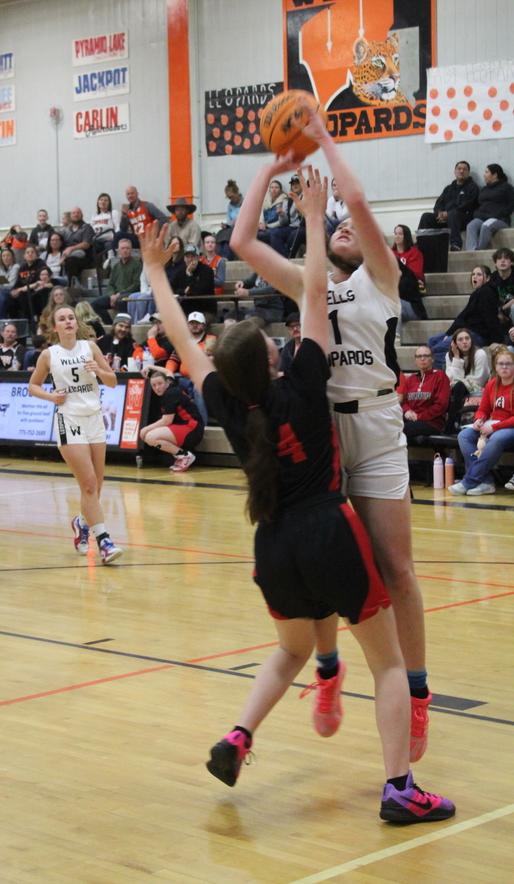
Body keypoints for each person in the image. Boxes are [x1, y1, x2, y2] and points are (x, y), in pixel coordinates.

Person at [138, 193, 454, 824]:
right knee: (388, 663)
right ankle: (398, 786)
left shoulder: (228, 405)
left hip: (271, 543)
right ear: (274, 356)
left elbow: (180, 335)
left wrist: (154, 273)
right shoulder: (309, 383)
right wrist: (312, 217)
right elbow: (313, 292)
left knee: (288, 650)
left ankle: (239, 735)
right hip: (328, 530)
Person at [231, 104, 434, 764]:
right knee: (317, 562)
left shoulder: (381, 277)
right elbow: (242, 243)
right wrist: (269, 169)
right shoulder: (310, 285)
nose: (344, 225)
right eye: (336, 228)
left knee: (395, 569)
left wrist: (321, 138)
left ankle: (416, 692)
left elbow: (351, 196)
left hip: (373, 428)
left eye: (351, 226)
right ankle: (326, 670)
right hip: (321, 433)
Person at [28, 304, 122, 564]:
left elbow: (112, 381)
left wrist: (99, 371)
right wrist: (50, 396)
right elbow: (33, 386)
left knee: (96, 488)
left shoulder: (90, 348)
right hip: (69, 420)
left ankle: (81, 523)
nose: (68, 321)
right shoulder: (49, 354)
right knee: (89, 484)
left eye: (71, 317)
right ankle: (104, 541)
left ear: (77, 323)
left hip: (95, 418)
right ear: (55, 327)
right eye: (62, 319)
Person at [449, 346, 514, 495]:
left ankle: (469, 481)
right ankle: (486, 481)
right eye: (500, 364)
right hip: (492, 425)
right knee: (464, 435)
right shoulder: (492, 384)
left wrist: (495, 427)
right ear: (495, 367)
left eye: (508, 364)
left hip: (508, 427)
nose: (504, 367)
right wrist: (479, 419)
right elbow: (483, 409)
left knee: (496, 439)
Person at [428, 265, 502, 367]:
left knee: (435, 352)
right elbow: (462, 316)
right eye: (473, 274)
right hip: (467, 330)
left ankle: (455, 373)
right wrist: (448, 333)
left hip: (477, 334)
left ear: (488, 278)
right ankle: (440, 373)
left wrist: (496, 340)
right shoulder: (476, 294)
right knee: (433, 341)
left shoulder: (486, 292)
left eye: (479, 274)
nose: (474, 277)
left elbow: (490, 318)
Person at [139, 369, 203, 471]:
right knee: (150, 436)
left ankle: (184, 455)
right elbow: (168, 372)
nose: (157, 388)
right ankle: (181, 455)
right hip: (187, 426)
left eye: (160, 383)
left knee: (150, 437)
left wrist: (145, 429)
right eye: (154, 385)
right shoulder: (170, 383)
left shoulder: (170, 394)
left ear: (166, 382)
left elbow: (166, 421)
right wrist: (149, 366)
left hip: (192, 428)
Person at [417, 160, 479, 251]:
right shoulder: (448, 188)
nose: (461, 171)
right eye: (459, 169)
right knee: (426, 216)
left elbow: (468, 204)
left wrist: (448, 214)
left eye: (464, 169)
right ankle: (420, 242)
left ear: (468, 173)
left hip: (463, 218)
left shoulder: (472, 187)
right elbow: (439, 204)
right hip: (446, 219)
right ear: (455, 172)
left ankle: (456, 244)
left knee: (453, 213)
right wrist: (440, 214)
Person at [444, 329, 490, 432]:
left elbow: (479, 379)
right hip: (457, 390)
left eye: (467, 338)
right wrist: (457, 358)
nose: (464, 342)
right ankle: (454, 422)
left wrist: (462, 382)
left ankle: (451, 423)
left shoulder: (480, 354)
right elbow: (451, 378)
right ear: (454, 343)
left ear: (471, 340)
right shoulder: (449, 356)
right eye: (460, 339)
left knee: (459, 385)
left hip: (478, 389)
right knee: (457, 387)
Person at [401, 347, 450, 440]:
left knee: (401, 431)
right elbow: (406, 401)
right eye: (419, 356)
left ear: (432, 359)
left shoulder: (440, 376)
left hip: (432, 422)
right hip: (412, 420)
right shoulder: (411, 379)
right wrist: (407, 410)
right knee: (389, 427)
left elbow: (441, 405)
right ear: (415, 360)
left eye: (426, 356)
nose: (422, 359)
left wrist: (419, 416)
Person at [92, 238, 143, 325]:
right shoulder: (115, 267)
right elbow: (110, 284)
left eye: (127, 248)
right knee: (95, 304)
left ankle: (122, 324)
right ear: (118, 250)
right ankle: (109, 324)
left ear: (131, 250)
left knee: (121, 300)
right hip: (115, 295)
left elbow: (136, 284)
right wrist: (112, 295)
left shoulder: (137, 265)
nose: (125, 250)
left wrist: (119, 294)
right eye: (122, 248)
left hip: (130, 294)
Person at [465, 164, 514, 251]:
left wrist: (499, 214)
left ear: (494, 175)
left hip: (500, 219)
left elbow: (511, 205)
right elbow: (478, 205)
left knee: (486, 226)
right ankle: (471, 251)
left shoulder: (507, 187)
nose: (484, 175)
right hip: (482, 217)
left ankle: (479, 250)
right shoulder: (484, 189)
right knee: (471, 226)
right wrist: (477, 214)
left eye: (487, 172)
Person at [170, 244, 217, 318]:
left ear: (198, 257)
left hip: (205, 310)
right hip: (186, 310)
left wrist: (189, 274)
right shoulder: (180, 272)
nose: (190, 259)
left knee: (195, 324)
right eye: (187, 257)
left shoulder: (207, 270)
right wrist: (183, 291)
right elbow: (170, 288)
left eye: (192, 256)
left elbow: (198, 291)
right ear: (184, 258)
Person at [268, 174, 305, 257]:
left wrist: (301, 210)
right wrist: (281, 215)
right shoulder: (288, 201)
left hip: (304, 227)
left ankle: (288, 258)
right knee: (275, 234)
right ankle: (281, 259)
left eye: (297, 183)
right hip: (292, 227)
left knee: (295, 234)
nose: (295, 185)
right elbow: (284, 222)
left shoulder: (306, 197)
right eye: (293, 184)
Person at [62, 208, 95, 285]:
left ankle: (71, 287)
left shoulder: (87, 228)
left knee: (71, 261)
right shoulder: (66, 231)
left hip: (84, 258)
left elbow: (86, 244)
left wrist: (71, 249)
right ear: (70, 216)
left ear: (82, 215)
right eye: (73, 213)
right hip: (68, 257)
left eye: (78, 213)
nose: (75, 215)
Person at [488, 247, 514, 328]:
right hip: (501, 313)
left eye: (506, 258)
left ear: (512, 262)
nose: (502, 261)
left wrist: (502, 308)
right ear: (495, 263)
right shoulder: (492, 278)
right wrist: (498, 312)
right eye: (499, 258)